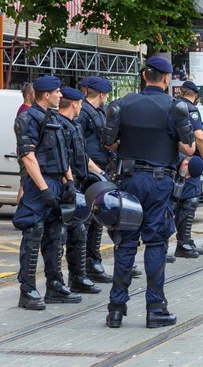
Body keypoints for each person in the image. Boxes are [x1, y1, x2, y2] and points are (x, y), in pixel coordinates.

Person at [102, 56, 196, 328]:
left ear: (144, 76)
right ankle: (155, 308)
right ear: (167, 79)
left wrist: (131, 151)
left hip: (129, 180)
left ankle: (116, 310)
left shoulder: (121, 104)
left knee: (126, 243)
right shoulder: (175, 107)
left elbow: (109, 143)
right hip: (159, 183)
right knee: (155, 243)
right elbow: (189, 148)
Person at [13, 75, 82, 310]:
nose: (61, 95)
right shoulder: (27, 118)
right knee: (33, 234)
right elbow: (28, 157)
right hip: (38, 184)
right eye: (57, 92)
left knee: (55, 235)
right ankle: (28, 289)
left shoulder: (53, 118)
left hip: (56, 183)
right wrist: (43, 189)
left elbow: (63, 155)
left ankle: (55, 285)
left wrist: (69, 181)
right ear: (46, 94)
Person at [58, 87, 105, 294]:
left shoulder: (73, 125)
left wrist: (99, 172)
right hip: (65, 185)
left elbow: (81, 155)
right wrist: (68, 181)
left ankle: (78, 277)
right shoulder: (59, 125)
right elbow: (60, 159)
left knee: (79, 231)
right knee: (58, 235)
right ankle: (59, 282)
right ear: (75, 103)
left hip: (77, 182)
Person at [79, 76, 114, 283]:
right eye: (106, 94)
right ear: (101, 94)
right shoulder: (83, 113)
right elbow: (79, 146)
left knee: (97, 219)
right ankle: (87, 264)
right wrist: (95, 169)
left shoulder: (99, 111)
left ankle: (93, 260)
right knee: (87, 220)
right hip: (90, 173)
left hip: (100, 171)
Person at [172, 81, 203, 258]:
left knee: (177, 202)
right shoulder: (190, 109)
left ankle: (185, 240)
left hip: (172, 161)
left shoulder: (172, 106)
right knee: (190, 200)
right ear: (195, 94)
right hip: (187, 161)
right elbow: (199, 137)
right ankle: (183, 243)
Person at [16, 83, 36, 205]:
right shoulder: (25, 111)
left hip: (23, 151)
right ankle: (20, 212)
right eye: (35, 94)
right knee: (25, 184)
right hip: (26, 152)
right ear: (28, 96)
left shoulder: (24, 110)